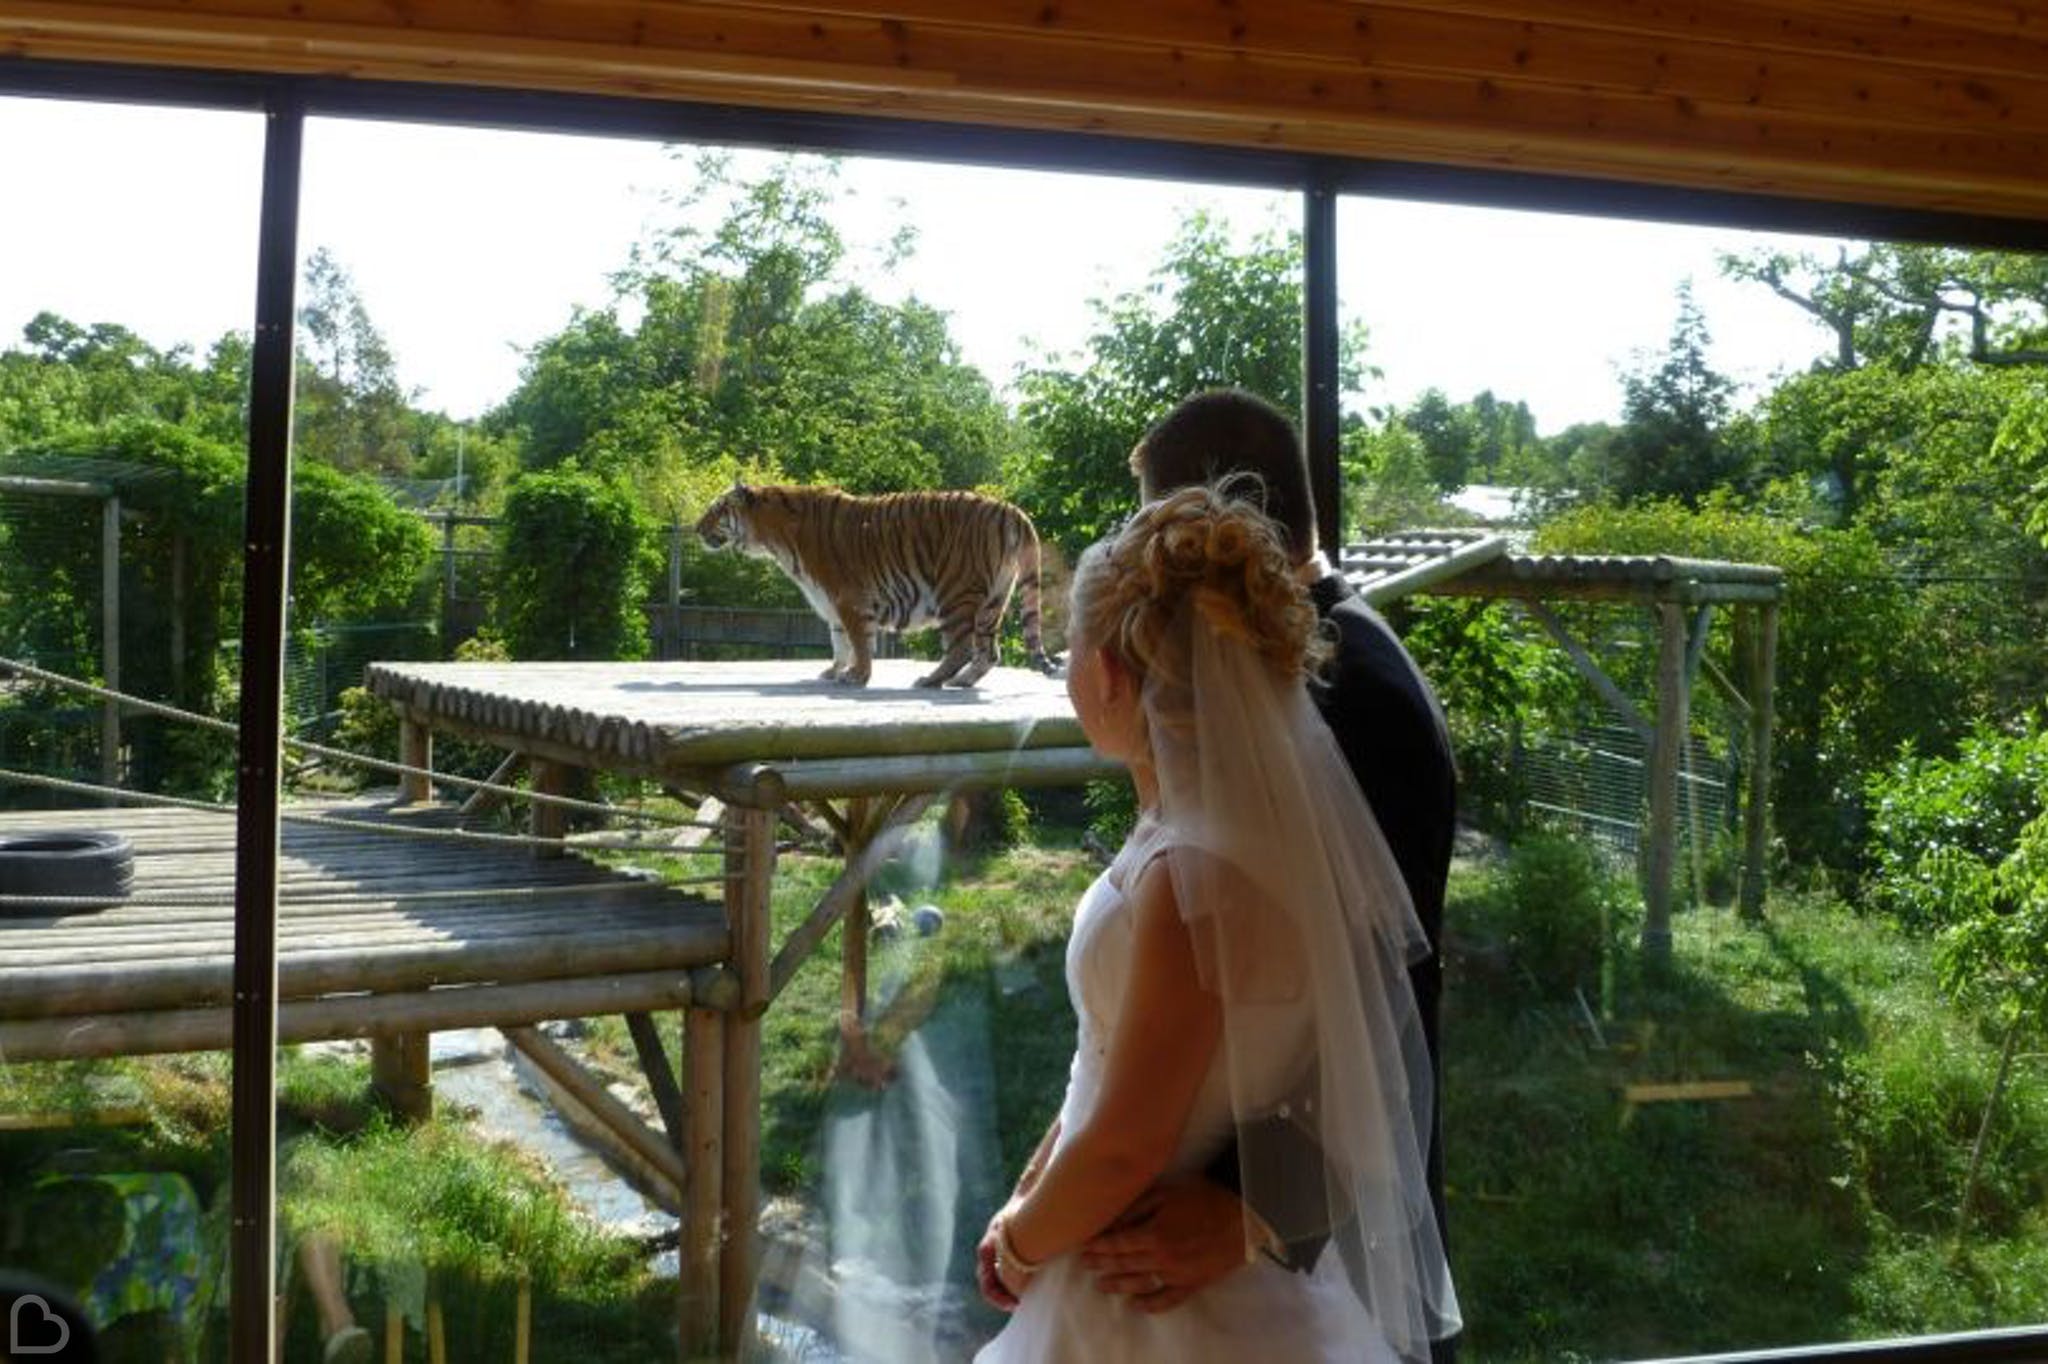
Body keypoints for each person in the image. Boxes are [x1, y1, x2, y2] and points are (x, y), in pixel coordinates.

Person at [972, 484, 1457, 1362]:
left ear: (1112, 673)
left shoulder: (1185, 875)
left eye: (1072, 648)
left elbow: (1128, 1142)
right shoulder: (1264, 841)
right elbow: (1111, 1062)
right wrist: (1036, 1182)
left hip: (1143, 1293)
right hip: (1258, 1289)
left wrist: (1018, 1245)